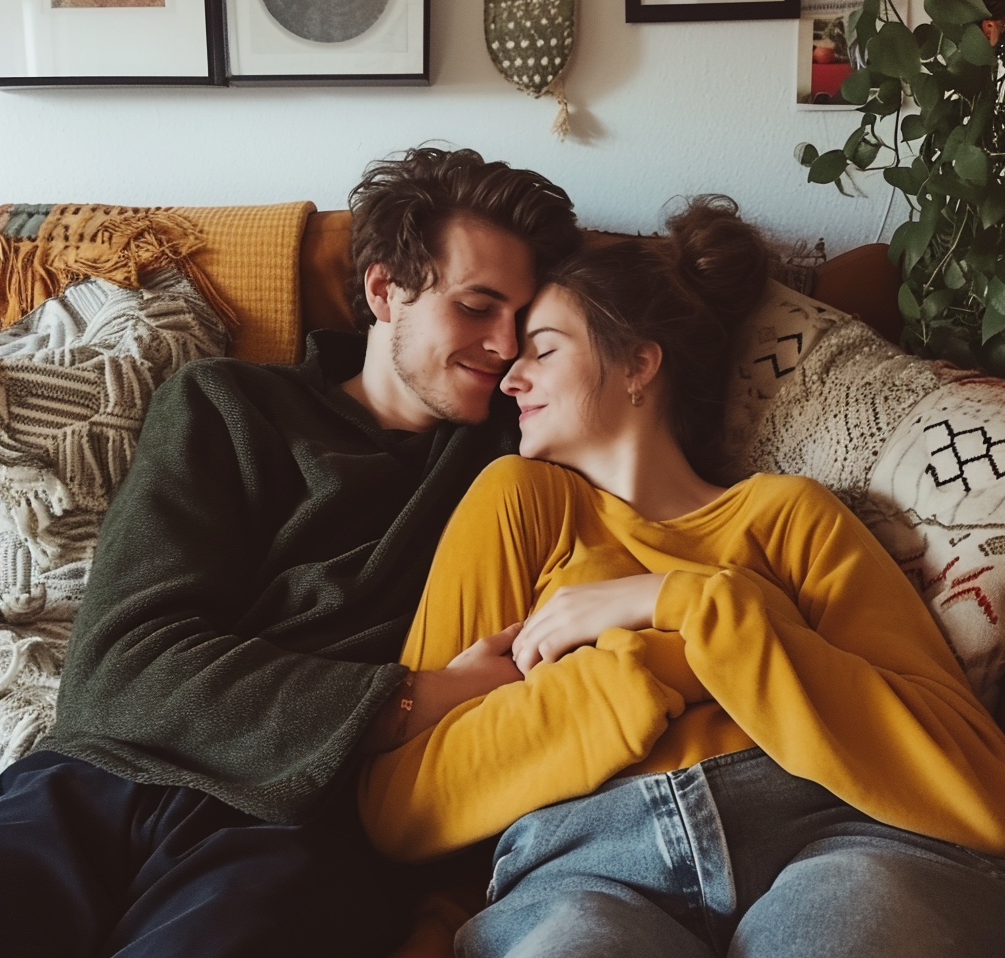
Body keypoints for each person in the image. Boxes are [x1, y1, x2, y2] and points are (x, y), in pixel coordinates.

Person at [360, 196, 1005, 957]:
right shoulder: (519, 502)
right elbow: (400, 802)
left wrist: (687, 603)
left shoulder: (787, 515)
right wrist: (650, 668)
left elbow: (979, 787)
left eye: (543, 349)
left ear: (640, 362)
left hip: (833, 835)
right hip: (584, 868)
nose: (510, 378)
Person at [0, 146, 580, 957]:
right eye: (478, 307)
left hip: (293, 825)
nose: (504, 343)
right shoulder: (228, 405)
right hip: (96, 780)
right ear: (385, 290)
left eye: (525, 319)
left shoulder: (518, 456)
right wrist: (416, 698)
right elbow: (120, 673)